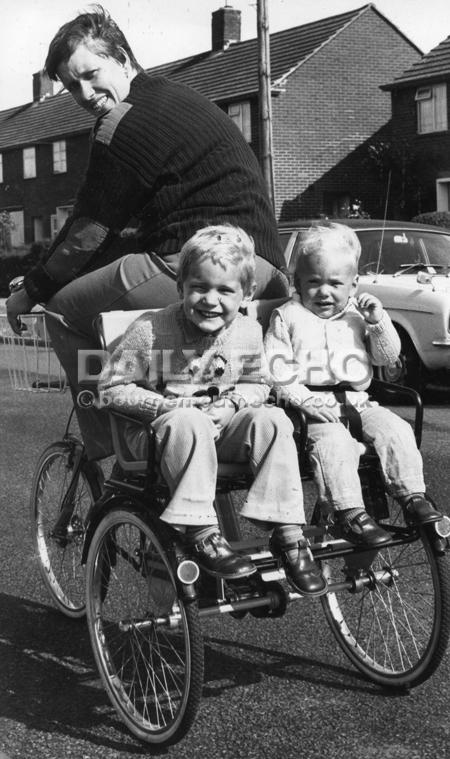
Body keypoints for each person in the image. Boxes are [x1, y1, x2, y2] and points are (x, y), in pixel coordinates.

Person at [6, 5, 288, 461]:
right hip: (264, 269)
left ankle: (114, 447)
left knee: (60, 313)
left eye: (91, 74)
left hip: (198, 262)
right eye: (70, 85)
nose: (84, 92)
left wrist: (33, 290)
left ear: (121, 56)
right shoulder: (172, 97)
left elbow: (89, 230)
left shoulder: (123, 120)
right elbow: (117, 233)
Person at [97, 225, 326, 594]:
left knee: (272, 418)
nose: (209, 300)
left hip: (219, 430)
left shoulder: (249, 332)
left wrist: (234, 403)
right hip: (162, 437)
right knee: (187, 420)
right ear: (181, 287)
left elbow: (259, 383)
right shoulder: (150, 331)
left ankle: (287, 534)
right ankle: (201, 533)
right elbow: (110, 387)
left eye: (224, 290)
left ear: (247, 294)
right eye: (198, 287)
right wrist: (162, 405)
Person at [264, 222, 441, 545]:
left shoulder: (357, 316)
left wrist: (377, 322)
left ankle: (413, 496)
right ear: (297, 283)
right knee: (335, 443)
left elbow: (387, 357)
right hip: (311, 410)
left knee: (396, 429)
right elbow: (276, 369)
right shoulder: (287, 316)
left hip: (360, 402)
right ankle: (348, 512)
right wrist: (304, 400)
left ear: (353, 284)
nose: (324, 291)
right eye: (313, 282)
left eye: (335, 283)